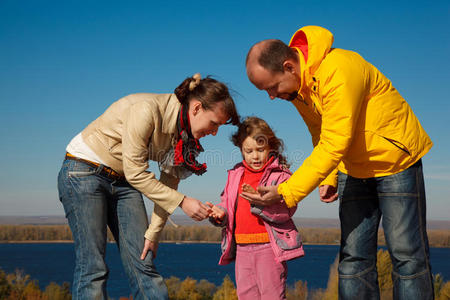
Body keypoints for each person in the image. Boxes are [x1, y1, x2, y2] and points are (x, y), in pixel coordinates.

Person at [244, 26, 434, 299]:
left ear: (289, 67)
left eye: (272, 87)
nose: (271, 96)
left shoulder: (338, 69)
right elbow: (319, 132)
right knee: (353, 257)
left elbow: (334, 141)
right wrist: (330, 176)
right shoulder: (299, 89)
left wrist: (285, 192)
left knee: (407, 256)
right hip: (352, 168)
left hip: (395, 162)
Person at [57, 74, 240, 300]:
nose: (214, 133)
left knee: (144, 262)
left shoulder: (183, 136)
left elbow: (169, 182)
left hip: (123, 180)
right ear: (197, 108)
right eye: (214, 124)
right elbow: (136, 172)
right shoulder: (146, 110)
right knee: (92, 268)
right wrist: (183, 202)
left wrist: (153, 234)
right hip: (83, 170)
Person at [207, 117, 304, 300]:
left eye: (260, 150)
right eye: (249, 151)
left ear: (271, 147)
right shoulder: (236, 174)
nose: (255, 156)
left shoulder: (281, 176)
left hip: (269, 248)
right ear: (241, 150)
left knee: (272, 295)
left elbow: (286, 211)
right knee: (246, 296)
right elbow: (227, 203)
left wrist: (260, 202)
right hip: (242, 248)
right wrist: (220, 213)